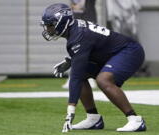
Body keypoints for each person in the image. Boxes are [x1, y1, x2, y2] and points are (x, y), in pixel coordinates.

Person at [40, 3, 147, 132]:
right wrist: (72, 60)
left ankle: (135, 120)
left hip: (130, 51)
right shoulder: (75, 30)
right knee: (82, 72)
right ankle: (93, 118)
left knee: (103, 80)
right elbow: (93, 46)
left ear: (62, 22)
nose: (47, 29)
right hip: (114, 53)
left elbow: (76, 76)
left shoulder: (77, 36)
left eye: (50, 25)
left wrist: (70, 112)